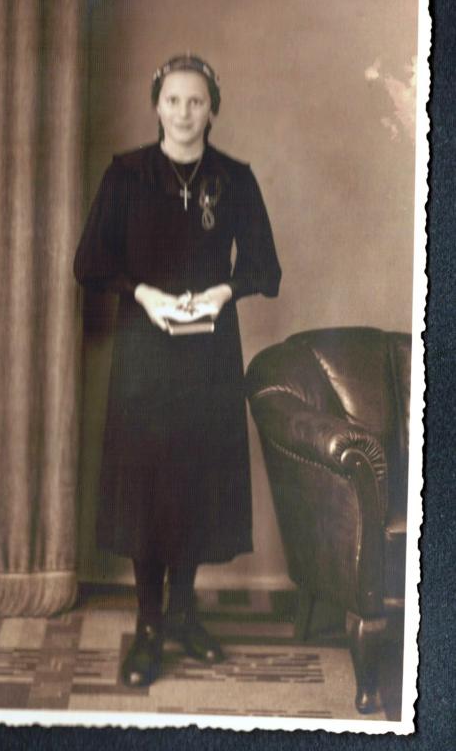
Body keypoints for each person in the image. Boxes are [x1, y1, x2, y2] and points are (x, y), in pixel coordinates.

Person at [74, 53, 281, 687]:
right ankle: (148, 627)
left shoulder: (235, 179)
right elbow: (91, 263)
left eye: (196, 101)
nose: (184, 113)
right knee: (148, 484)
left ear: (212, 108)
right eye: (173, 101)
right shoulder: (126, 175)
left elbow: (265, 269)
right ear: (156, 106)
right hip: (146, 353)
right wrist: (144, 295)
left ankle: (186, 614)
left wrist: (221, 292)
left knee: (196, 478)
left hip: (210, 353)